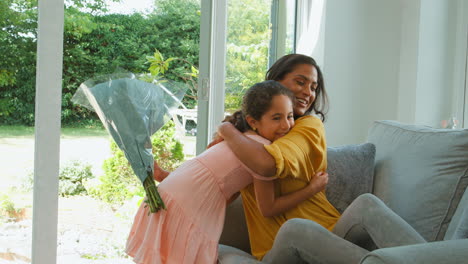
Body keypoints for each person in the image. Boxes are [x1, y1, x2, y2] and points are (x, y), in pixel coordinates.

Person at [216, 54, 426, 263]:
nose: (308, 92)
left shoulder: (308, 126)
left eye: (314, 88)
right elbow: (218, 175)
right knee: (295, 229)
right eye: (300, 82)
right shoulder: (248, 135)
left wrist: (227, 129)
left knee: (367, 203)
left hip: (331, 235)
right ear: (275, 82)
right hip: (278, 250)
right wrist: (232, 130)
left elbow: (266, 165)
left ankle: (434, 256)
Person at [125, 80, 329, 264]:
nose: (286, 125)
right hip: (189, 203)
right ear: (253, 122)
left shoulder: (239, 137)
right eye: (277, 118)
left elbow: (211, 177)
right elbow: (268, 208)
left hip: (173, 191)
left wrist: (162, 175)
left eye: (290, 116)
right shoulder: (260, 153)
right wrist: (312, 189)